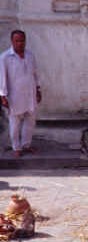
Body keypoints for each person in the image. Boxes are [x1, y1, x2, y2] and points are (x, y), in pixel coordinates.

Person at [0, 30, 40, 158]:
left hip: (30, 93)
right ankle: (16, 147)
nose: (20, 43)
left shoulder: (30, 55)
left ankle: (26, 145)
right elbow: (2, 78)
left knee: (30, 121)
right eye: (17, 41)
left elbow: (35, 74)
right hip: (14, 96)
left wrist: (38, 90)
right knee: (15, 123)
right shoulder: (5, 57)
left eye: (22, 40)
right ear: (12, 41)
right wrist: (3, 96)